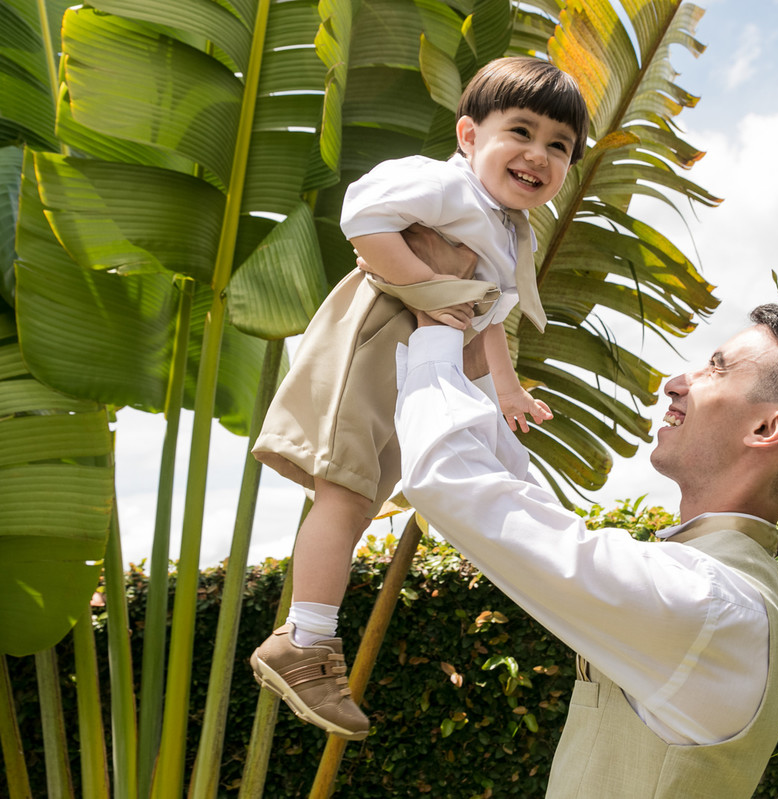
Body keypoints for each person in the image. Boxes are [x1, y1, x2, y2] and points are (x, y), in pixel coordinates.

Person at [393, 242, 778, 798]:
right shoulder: (713, 592)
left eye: (716, 369)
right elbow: (518, 504)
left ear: (768, 430)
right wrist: (470, 351)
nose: (676, 382)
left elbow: (456, 486)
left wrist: (433, 331)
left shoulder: (710, 604)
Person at [248, 56, 590, 741]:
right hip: (378, 338)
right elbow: (363, 218)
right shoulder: (445, 187)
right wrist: (426, 287)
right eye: (520, 131)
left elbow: (487, 317)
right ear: (468, 135)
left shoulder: (509, 229)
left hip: (422, 362)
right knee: (342, 489)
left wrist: (508, 387)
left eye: (559, 145)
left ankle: (307, 636)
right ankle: (304, 640)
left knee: (363, 494)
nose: (538, 154)